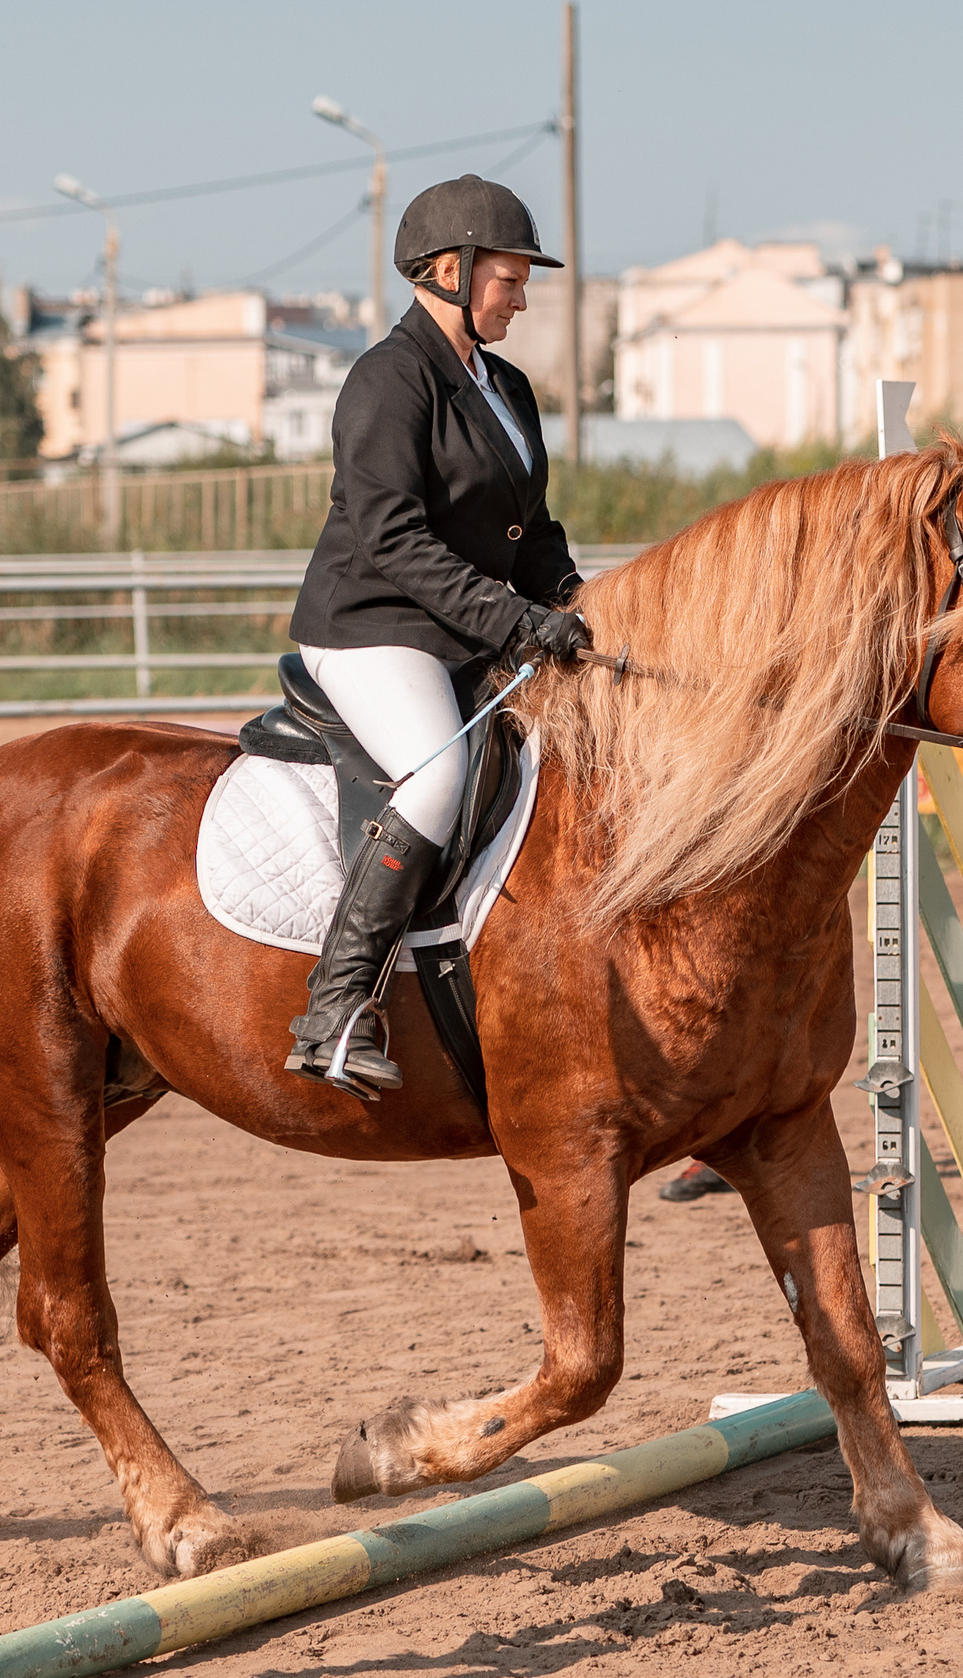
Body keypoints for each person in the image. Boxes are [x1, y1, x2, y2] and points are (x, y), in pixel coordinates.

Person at [283, 176, 592, 1096]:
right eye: (510, 278)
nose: (521, 297)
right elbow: (393, 538)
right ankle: (335, 1005)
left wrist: (579, 603)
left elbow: (531, 531)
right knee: (439, 774)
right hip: (372, 626)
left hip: (460, 629)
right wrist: (514, 620)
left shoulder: (507, 387)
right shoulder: (388, 379)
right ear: (450, 271)